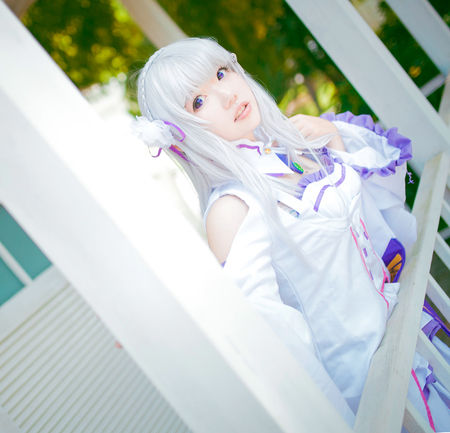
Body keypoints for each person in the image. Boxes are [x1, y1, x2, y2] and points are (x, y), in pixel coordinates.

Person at [132, 37, 450, 429]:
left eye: (221, 73)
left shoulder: (284, 154)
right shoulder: (231, 209)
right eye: (198, 101)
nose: (227, 95)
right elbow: (277, 345)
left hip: (410, 340)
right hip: (372, 390)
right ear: (181, 133)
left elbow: (371, 215)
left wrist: (333, 138)